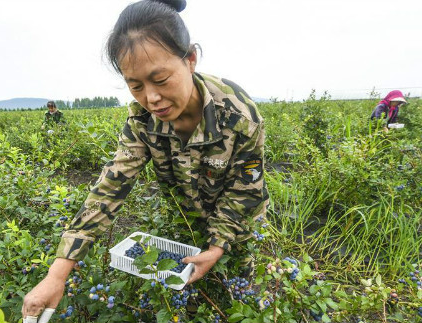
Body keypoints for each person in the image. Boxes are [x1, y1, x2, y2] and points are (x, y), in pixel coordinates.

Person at [22, 0, 269, 318]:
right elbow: (110, 187)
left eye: (161, 79)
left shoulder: (238, 114)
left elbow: (246, 186)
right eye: (135, 85)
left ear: (190, 60)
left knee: (235, 294)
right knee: (190, 295)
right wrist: (57, 274)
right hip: (188, 220)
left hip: (238, 223)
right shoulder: (142, 121)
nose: (151, 98)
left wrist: (219, 245)